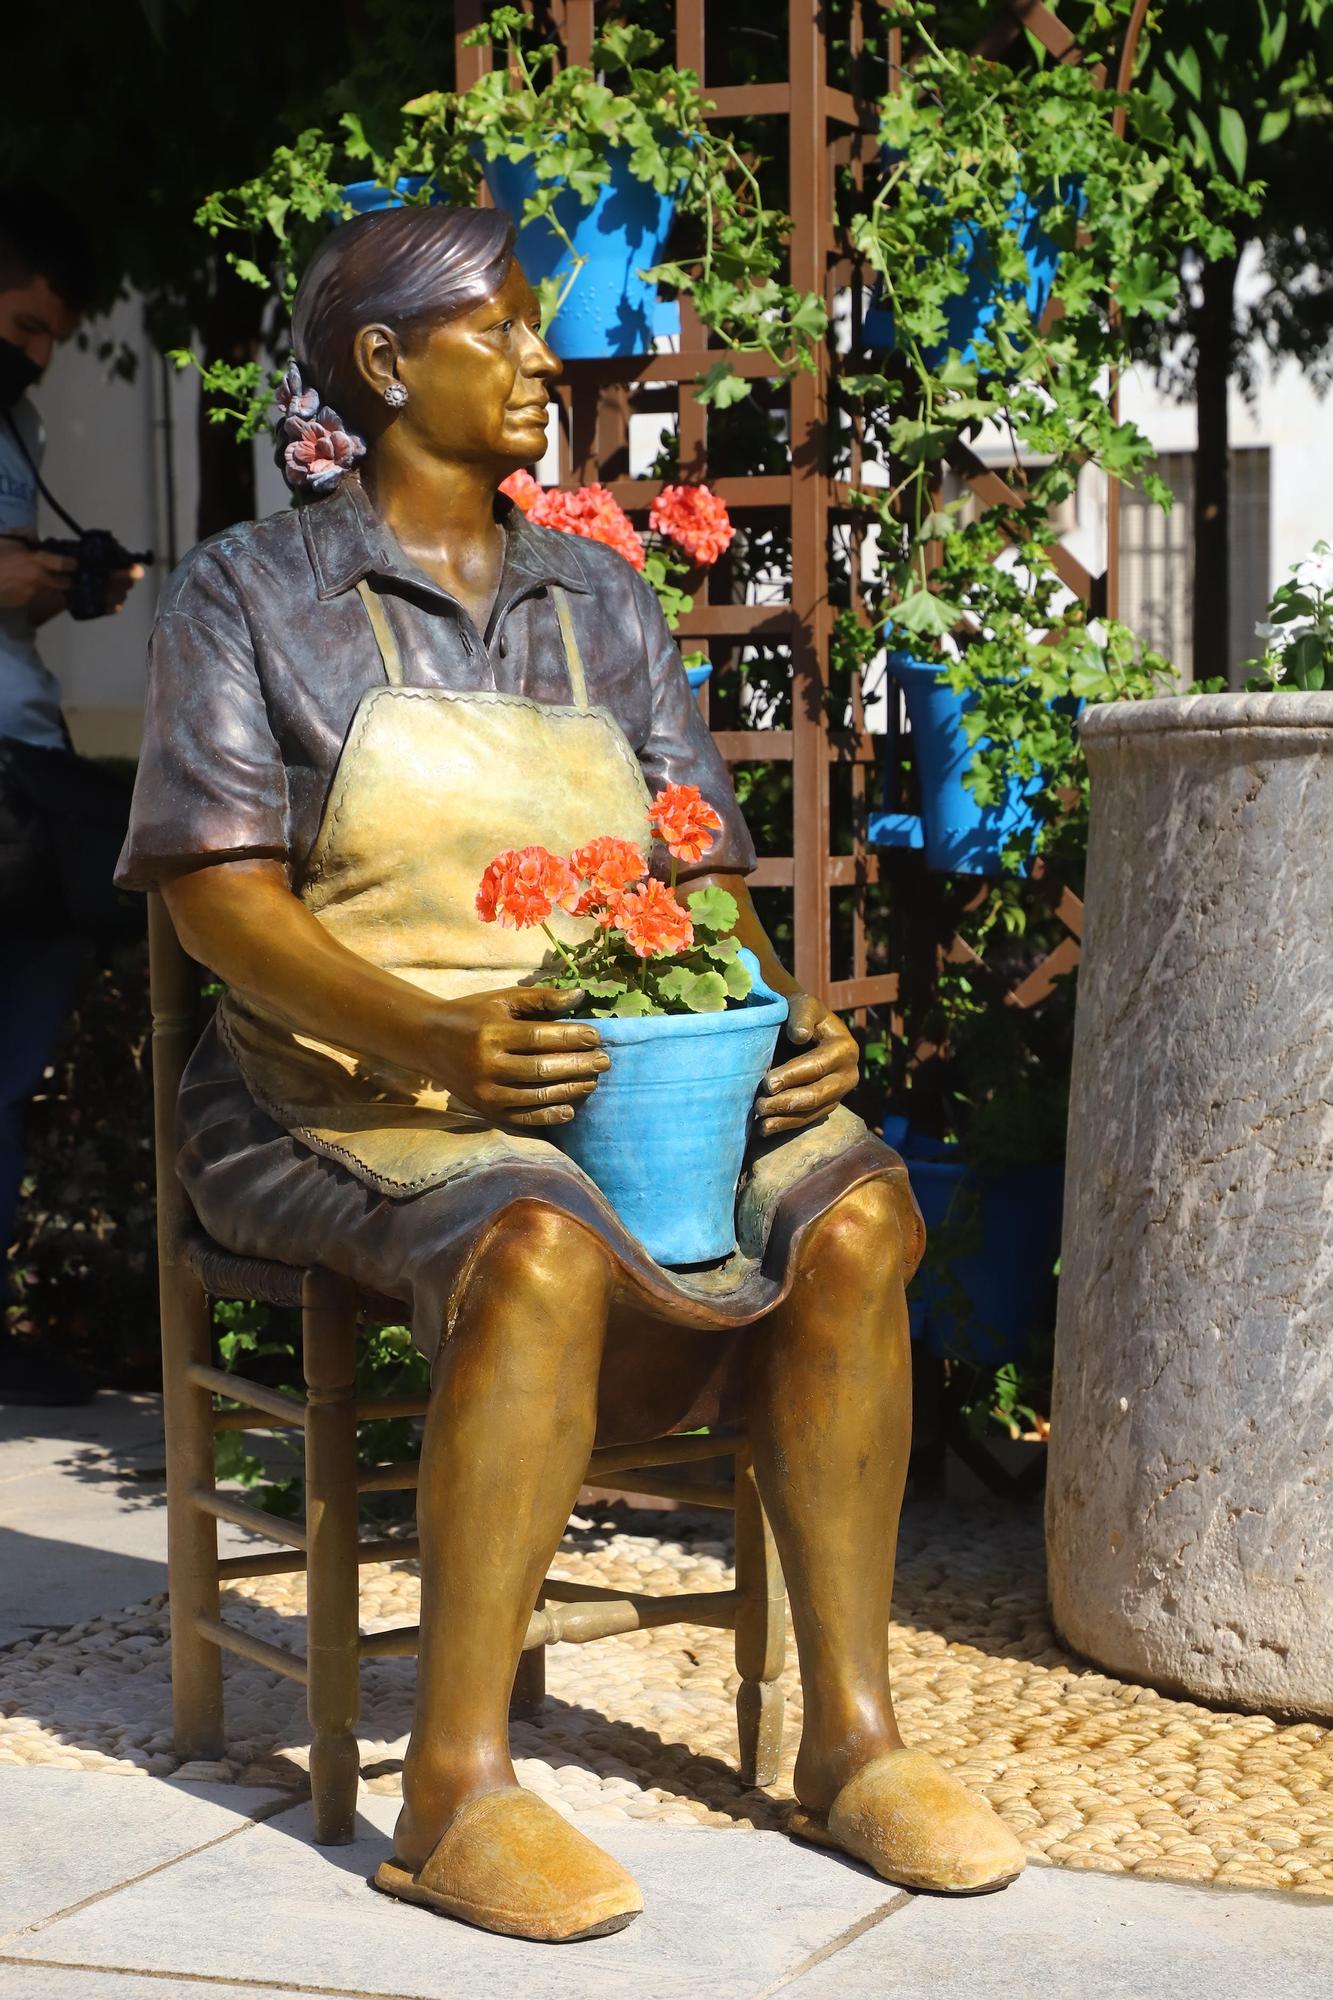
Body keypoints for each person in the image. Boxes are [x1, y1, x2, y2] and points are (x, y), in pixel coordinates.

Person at [117, 204, 1024, 1943]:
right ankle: (451, 1791)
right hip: (334, 1088)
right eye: (503, 335)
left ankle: (850, 1741)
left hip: (617, 1067)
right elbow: (220, 903)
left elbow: (688, 873)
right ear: (383, 366)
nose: (546, 362)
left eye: (537, 333)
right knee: (527, 1232)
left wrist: (773, 1017)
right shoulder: (247, 594)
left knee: (853, 1214)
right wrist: (435, 1035)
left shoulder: (594, 597)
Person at [0, 184, 144, 1394]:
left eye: (53, 336)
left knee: (11, 1066)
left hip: (26, 759)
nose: (38, 357)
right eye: (25, 325)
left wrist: (66, 579)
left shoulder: (19, 430)